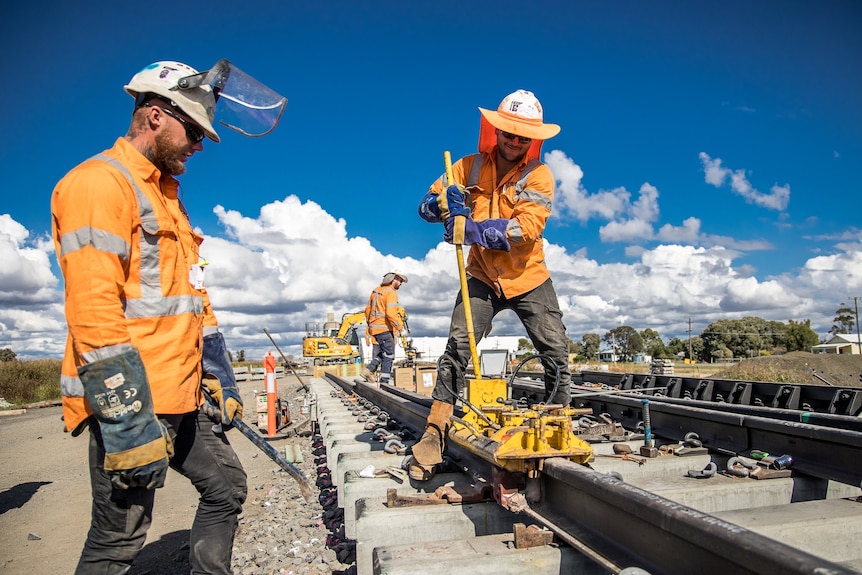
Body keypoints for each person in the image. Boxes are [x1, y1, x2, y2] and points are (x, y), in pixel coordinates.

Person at [51, 61, 250, 574]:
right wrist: (126, 420)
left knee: (225, 487)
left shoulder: (168, 200)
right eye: (195, 132)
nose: (200, 146)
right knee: (119, 537)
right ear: (156, 116)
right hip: (135, 399)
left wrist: (218, 377)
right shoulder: (99, 185)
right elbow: (94, 312)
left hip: (180, 395)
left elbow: (193, 303)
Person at [410, 89, 572, 481]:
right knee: (458, 346)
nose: (515, 141)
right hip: (481, 275)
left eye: (523, 136)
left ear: (532, 140)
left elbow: (526, 228)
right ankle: (435, 430)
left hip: (528, 276)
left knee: (555, 350)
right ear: (495, 131)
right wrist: (442, 206)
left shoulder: (540, 175)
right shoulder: (467, 167)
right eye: (508, 133)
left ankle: (559, 423)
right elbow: (424, 207)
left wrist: (474, 228)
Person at [361, 270, 408, 385]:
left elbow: (367, 310)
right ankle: (384, 382)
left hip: (375, 329)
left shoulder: (376, 290)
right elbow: (391, 314)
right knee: (389, 354)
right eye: (400, 280)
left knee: (383, 353)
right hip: (384, 329)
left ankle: (369, 369)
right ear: (393, 279)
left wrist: (371, 325)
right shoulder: (391, 292)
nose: (401, 283)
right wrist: (400, 328)